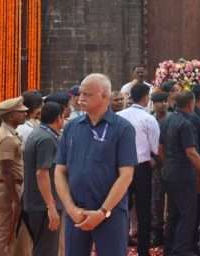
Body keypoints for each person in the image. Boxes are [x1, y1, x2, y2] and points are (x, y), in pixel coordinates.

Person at [54, 74, 137, 256]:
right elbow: (59, 171)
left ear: (105, 96)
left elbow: (126, 175)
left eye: (87, 94)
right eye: (80, 94)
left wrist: (102, 212)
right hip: (76, 211)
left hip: (110, 213)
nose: (81, 99)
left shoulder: (122, 128)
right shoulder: (72, 127)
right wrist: (70, 208)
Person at [159, 91, 200, 256]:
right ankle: (182, 250)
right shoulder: (186, 123)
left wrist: (168, 164)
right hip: (183, 174)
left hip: (168, 172)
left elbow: (160, 149)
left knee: (174, 213)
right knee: (188, 214)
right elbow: (191, 153)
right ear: (191, 104)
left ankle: (170, 249)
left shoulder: (166, 120)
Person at [117, 83, 160, 256]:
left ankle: (119, 246)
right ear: (146, 97)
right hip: (142, 166)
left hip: (121, 166)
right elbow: (155, 147)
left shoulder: (119, 116)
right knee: (143, 209)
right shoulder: (148, 118)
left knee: (121, 206)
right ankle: (143, 250)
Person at [0, 96, 29, 256]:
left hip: (2, 186)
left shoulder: (7, 133)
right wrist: (15, 198)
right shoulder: (7, 138)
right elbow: (7, 170)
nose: (25, 114)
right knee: (6, 234)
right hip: (7, 187)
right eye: (21, 112)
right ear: (11, 115)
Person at [22, 102, 65, 256]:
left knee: (42, 248)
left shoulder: (38, 133)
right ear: (59, 118)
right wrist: (51, 207)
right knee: (46, 250)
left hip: (37, 203)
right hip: (42, 206)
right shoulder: (46, 139)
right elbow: (42, 173)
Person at [149, 91, 170, 246]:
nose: (163, 104)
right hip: (155, 165)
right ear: (153, 103)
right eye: (159, 102)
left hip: (171, 163)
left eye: (165, 101)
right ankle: (157, 232)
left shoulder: (172, 118)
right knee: (156, 199)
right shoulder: (150, 119)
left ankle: (170, 231)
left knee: (173, 200)